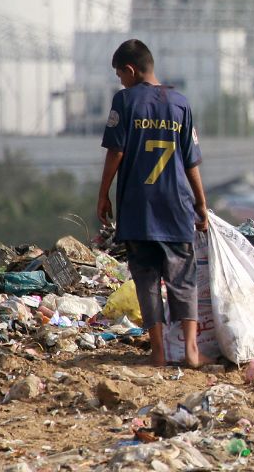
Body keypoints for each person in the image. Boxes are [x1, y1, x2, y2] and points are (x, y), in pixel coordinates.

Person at [96, 39, 209, 368]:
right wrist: (201, 203)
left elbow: (115, 152)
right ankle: (190, 350)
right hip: (176, 206)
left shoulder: (125, 101)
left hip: (138, 208)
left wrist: (103, 194)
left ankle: (158, 351)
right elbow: (191, 162)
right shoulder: (180, 104)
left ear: (130, 70)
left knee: (146, 279)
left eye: (120, 75)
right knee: (183, 279)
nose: (120, 81)